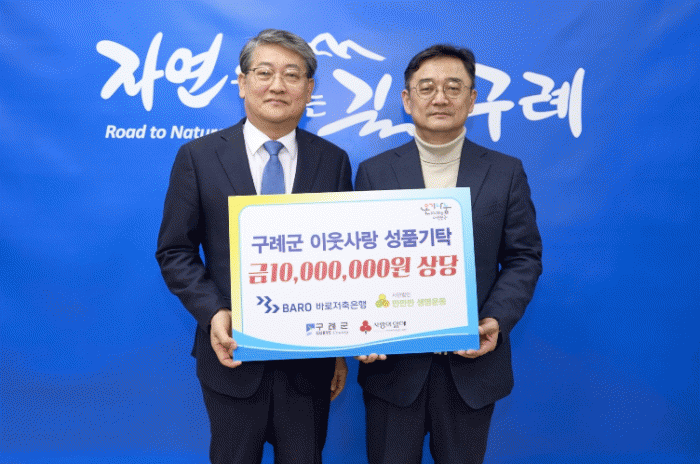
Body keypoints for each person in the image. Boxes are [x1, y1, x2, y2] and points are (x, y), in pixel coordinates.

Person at [156, 29, 352, 464]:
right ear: (243, 83)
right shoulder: (198, 157)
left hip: (310, 362)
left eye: (292, 75)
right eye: (264, 73)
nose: (277, 85)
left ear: (309, 89)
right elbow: (175, 251)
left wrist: (339, 346)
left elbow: (342, 262)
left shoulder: (333, 160)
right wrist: (213, 312)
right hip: (232, 357)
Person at [354, 44, 542, 464]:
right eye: (427, 88)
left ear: (472, 99)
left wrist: (495, 320)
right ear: (407, 100)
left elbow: (523, 257)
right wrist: (361, 329)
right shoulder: (374, 172)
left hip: (471, 371)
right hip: (393, 370)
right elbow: (359, 264)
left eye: (453, 87)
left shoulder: (505, 171)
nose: (440, 98)